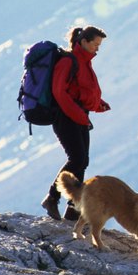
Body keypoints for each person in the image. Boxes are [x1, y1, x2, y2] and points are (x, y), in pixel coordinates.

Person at [41, 26, 111, 221]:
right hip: (66, 117)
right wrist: (79, 115)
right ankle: (52, 198)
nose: (97, 49)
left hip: (80, 116)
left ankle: (73, 210)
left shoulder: (85, 61)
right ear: (84, 41)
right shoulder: (67, 60)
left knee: (82, 161)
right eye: (95, 44)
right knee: (77, 159)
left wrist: (98, 105)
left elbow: (82, 91)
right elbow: (59, 92)